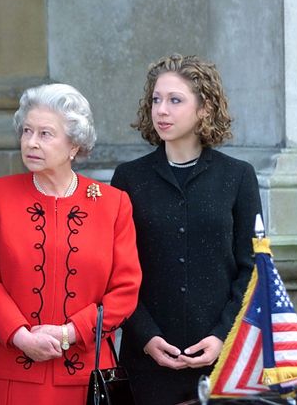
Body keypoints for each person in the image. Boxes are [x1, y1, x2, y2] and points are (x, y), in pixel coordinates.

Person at [0, 83, 142, 404]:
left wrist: (69, 333)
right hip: (8, 372)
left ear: (74, 145)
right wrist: (19, 335)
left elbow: (126, 289)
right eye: (27, 131)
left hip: (88, 377)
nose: (31, 142)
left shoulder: (113, 204)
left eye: (45, 134)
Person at [111, 54, 263, 404]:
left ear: (204, 108)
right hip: (146, 363)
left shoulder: (237, 176)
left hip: (221, 361)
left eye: (175, 100)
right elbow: (115, 269)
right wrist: (146, 336)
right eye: (156, 99)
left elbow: (252, 266)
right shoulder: (129, 178)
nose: (161, 110)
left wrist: (222, 335)